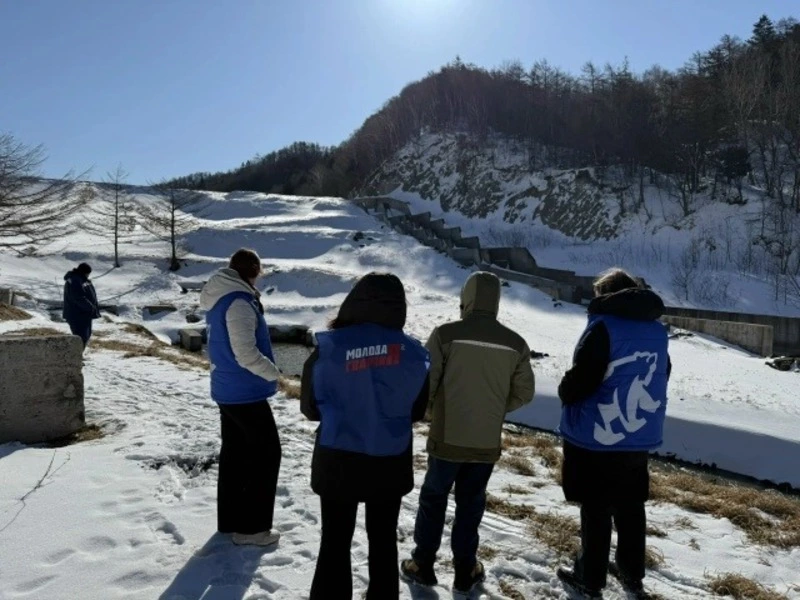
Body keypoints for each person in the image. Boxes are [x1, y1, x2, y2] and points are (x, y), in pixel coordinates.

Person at [401, 271, 535, 594]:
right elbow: (525, 392)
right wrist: (495, 412)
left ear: (467, 297)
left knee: (433, 499)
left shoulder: (446, 335)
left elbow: (427, 384)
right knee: (471, 504)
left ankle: (423, 564)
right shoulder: (516, 343)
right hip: (486, 443)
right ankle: (465, 570)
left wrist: (434, 413)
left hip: (447, 437)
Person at [300, 272, 430, 599]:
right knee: (384, 541)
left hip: (337, 457)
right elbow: (416, 411)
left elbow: (310, 408)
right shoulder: (414, 353)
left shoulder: (329, 348)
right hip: (389, 459)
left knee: (334, 542)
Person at [556, 268, 670, 599]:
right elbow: (664, 372)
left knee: (596, 506)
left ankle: (589, 577)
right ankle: (632, 573)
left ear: (605, 295)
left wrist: (565, 390)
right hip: (636, 432)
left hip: (599, 431)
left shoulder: (603, 327)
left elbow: (585, 377)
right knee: (631, 505)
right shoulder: (656, 331)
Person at [200, 248, 282, 547]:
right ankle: (252, 529)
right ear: (254, 271)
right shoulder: (239, 301)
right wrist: (275, 373)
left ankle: (231, 520)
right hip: (244, 391)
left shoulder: (221, 298)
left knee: (235, 454)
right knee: (267, 454)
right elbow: (245, 352)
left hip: (227, 388)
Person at [63, 262, 101, 348]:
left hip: (84, 314)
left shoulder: (81, 279)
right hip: (77, 314)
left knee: (85, 336)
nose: (88, 275)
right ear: (84, 272)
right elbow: (78, 297)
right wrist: (90, 307)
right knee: (81, 338)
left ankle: (78, 357)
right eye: (88, 273)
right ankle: (74, 358)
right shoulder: (75, 280)